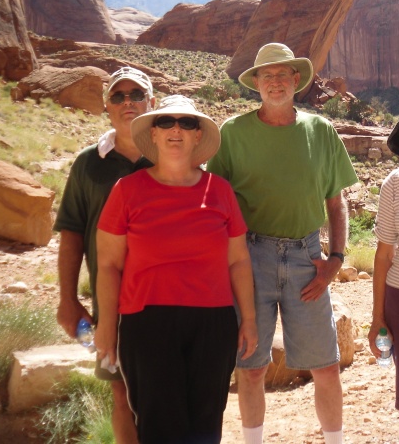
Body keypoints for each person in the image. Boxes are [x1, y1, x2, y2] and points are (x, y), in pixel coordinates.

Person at [206, 42, 359, 444]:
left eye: (282, 74)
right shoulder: (233, 134)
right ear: (256, 82)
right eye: (267, 75)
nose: (275, 82)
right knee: (252, 366)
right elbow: (214, 202)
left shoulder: (320, 130)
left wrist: (336, 258)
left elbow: (335, 200)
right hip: (249, 257)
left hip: (307, 257)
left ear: (296, 80)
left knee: (325, 366)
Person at [94, 95, 257, 444]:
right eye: (166, 122)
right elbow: (108, 264)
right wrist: (107, 326)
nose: (176, 130)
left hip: (213, 323)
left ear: (198, 136)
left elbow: (239, 259)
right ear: (153, 133)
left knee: (205, 427)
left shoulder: (220, 191)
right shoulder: (127, 191)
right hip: (147, 323)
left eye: (187, 123)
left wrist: (250, 319)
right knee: (159, 428)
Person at [54, 66, 156, 444]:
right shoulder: (87, 163)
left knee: (167, 393)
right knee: (120, 393)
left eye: (136, 95)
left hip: (167, 297)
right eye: (118, 96)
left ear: (152, 103)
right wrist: (67, 301)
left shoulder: (172, 155)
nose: (127, 102)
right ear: (106, 106)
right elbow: (72, 234)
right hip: (109, 303)